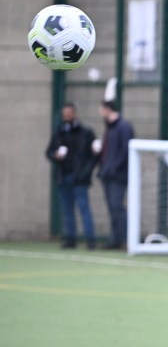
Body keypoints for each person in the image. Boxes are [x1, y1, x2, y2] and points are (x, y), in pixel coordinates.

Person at [45, 102, 99, 249]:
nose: (67, 116)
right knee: (67, 210)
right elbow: (49, 152)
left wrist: (86, 171)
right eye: (65, 114)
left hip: (80, 178)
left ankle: (90, 239)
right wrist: (55, 155)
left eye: (70, 113)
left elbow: (95, 154)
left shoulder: (86, 132)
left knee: (84, 208)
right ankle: (70, 238)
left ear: (75, 113)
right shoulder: (59, 132)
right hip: (64, 176)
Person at [96, 100, 135, 249]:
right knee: (112, 208)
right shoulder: (109, 128)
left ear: (107, 109)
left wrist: (113, 168)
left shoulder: (123, 127)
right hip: (107, 174)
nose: (100, 113)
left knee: (117, 206)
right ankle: (115, 240)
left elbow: (126, 151)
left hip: (118, 175)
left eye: (101, 109)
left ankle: (129, 239)